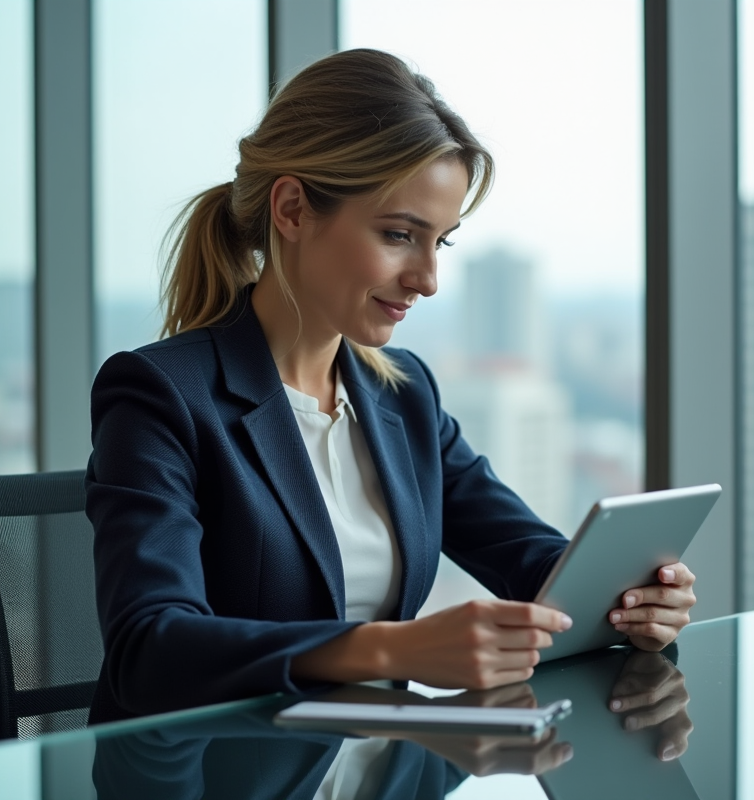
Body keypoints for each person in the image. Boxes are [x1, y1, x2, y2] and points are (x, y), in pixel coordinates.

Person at [86, 48, 697, 725]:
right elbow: (149, 651)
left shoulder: (403, 397)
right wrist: (392, 650)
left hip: (383, 764)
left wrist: (631, 599)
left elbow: (530, 559)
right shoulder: (159, 394)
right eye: (400, 235)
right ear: (291, 208)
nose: (427, 279)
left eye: (442, 242)